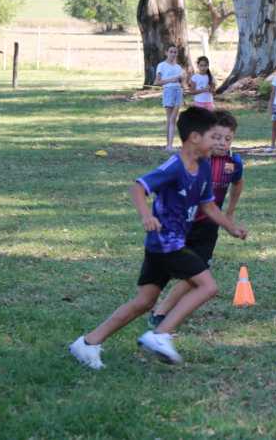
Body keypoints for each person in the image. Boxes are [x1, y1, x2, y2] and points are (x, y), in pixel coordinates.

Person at [69, 107, 248, 368]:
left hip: (165, 244)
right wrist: (145, 216)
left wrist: (230, 226)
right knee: (208, 286)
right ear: (195, 138)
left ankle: (87, 343)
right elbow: (138, 188)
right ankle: (161, 334)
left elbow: (208, 206)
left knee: (144, 301)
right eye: (213, 137)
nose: (218, 143)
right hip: (167, 242)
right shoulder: (174, 167)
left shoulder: (205, 167)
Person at [149, 109, 245, 328]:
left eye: (227, 139)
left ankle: (161, 312)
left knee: (199, 271)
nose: (222, 143)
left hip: (209, 225)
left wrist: (229, 213)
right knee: (174, 271)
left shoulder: (234, 162)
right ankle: (152, 305)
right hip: (183, 223)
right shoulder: (198, 160)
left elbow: (238, 184)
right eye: (217, 137)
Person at [154, 45, 185, 151]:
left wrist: (181, 81)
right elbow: (157, 82)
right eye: (171, 51)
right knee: (170, 119)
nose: (173, 54)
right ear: (166, 52)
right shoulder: (161, 65)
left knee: (173, 119)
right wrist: (171, 80)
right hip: (168, 91)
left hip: (178, 92)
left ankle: (170, 145)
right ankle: (169, 145)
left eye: (175, 52)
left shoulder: (178, 67)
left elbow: (181, 82)